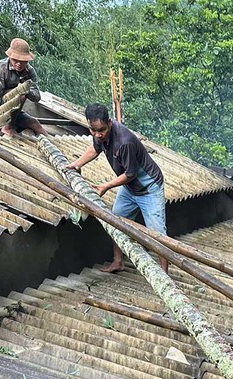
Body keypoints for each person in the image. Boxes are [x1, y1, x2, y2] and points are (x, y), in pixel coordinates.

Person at [64, 103, 168, 274]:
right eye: (93, 130)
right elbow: (95, 149)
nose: (98, 135)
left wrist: (106, 185)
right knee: (115, 221)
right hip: (130, 188)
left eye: (101, 130)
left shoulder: (124, 142)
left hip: (149, 188)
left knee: (156, 233)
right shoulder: (98, 134)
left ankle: (164, 274)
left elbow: (131, 174)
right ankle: (117, 261)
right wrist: (76, 164)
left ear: (110, 123)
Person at [0, 38, 45, 137]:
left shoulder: (29, 71)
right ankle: (8, 125)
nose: (19, 64)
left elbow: (37, 96)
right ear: (10, 57)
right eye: (15, 60)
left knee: (34, 124)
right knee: (19, 94)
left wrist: (26, 90)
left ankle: (11, 122)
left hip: (11, 107)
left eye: (22, 61)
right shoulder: (1, 68)